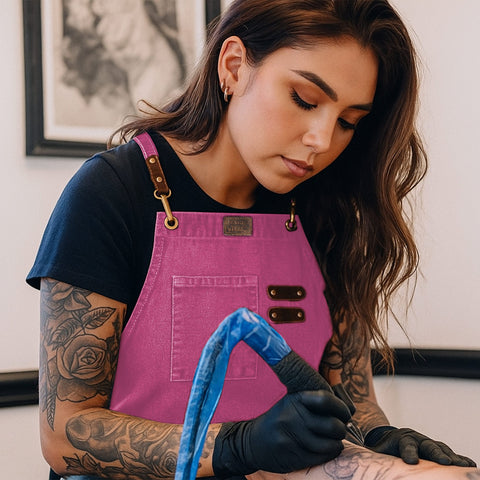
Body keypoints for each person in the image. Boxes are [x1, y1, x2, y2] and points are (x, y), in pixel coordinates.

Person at [27, 1, 478, 479]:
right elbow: (65, 433)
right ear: (234, 67)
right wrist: (238, 445)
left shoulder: (327, 213)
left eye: (348, 121)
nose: (322, 140)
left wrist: (378, 435)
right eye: (304, 99)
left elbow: (351, 401)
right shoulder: (112, 195)